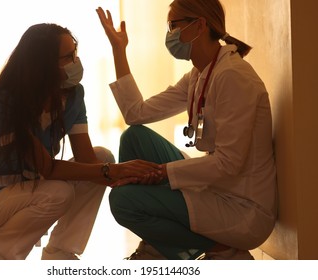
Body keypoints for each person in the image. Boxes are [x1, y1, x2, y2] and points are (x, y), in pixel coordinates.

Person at [96, 0, 277, 260]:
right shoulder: (199, 74)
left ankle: (220, 248)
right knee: (134, 137)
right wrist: (118, 50)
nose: (170, 35)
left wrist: (163, 173)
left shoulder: (233, 76)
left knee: (123, 201)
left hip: (241, 207)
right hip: (215, 188)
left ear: (199, 25)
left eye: (173, 26)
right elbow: (136, 114)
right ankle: (159, 244)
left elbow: (229, 164)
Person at [0, 23, 162, 260]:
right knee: (60, 192)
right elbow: (47, 168)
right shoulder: (7, 102)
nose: (76, 62)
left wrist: (123, 177)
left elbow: (89, 160)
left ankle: (60, 251)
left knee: (102, 157)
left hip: (32, 188)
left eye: (75, 54)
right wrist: (114, 172)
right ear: (42, 64)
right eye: (67, 57)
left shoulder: (73, 95)